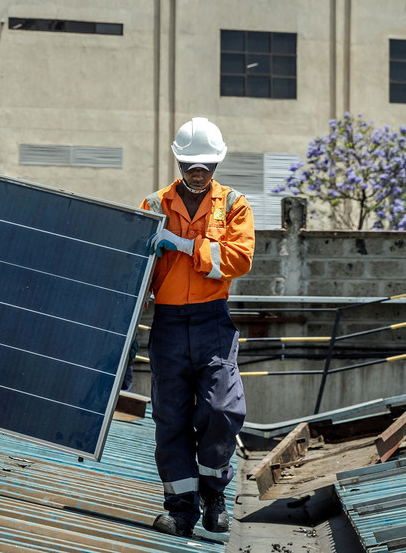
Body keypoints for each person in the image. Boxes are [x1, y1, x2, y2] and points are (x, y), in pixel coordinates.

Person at [141, 116, 255, 538]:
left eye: (205, 164)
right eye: (190, 164)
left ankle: (213, 493)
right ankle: (181, 509)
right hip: (169, 324)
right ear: (178, 161)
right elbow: (136, 272)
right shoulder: (154, 206)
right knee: (170, 418)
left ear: (217, 163)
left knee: (223, 410)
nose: (198, 172)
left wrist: (186, 246)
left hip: (212, 321)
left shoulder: (234, 205)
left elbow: (239, 259)